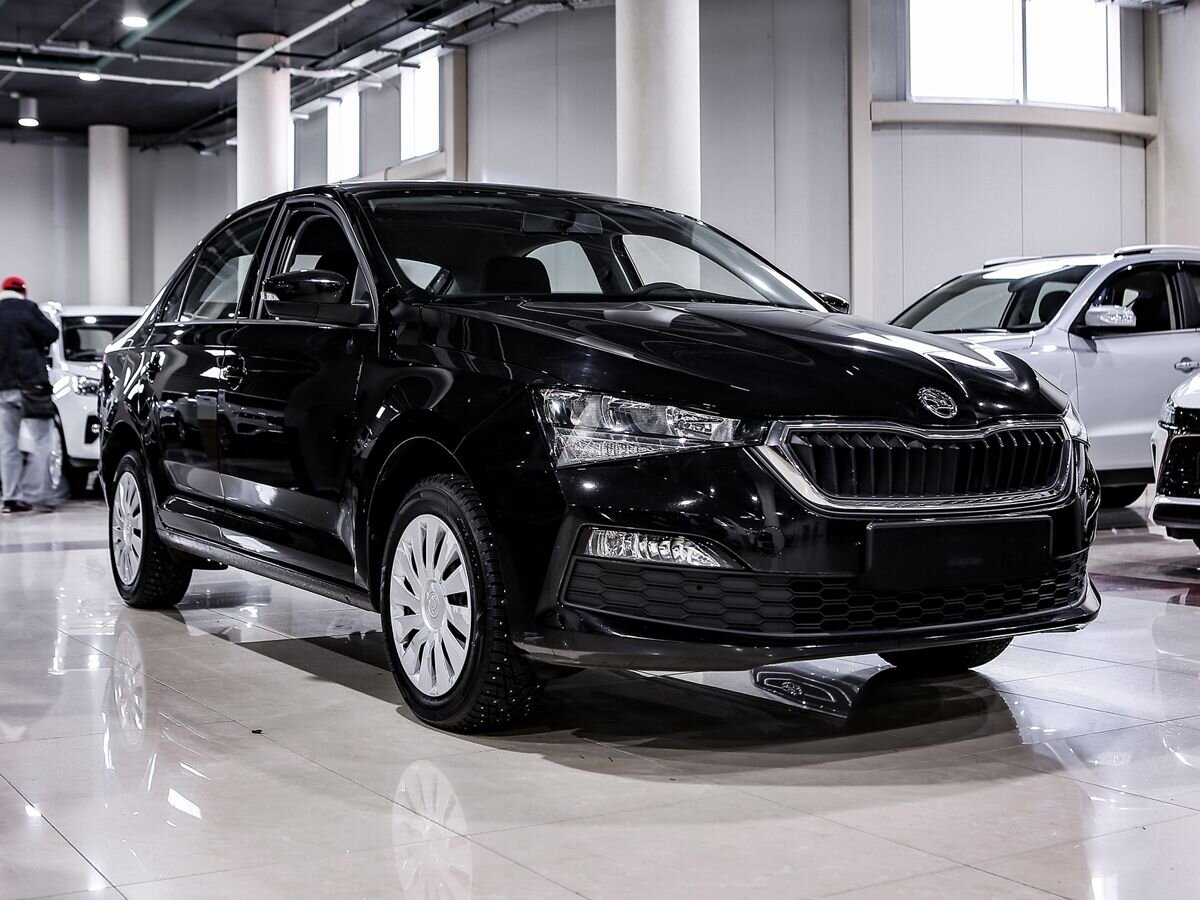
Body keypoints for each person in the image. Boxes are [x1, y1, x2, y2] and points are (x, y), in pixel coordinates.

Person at [0, 276, 60, 514]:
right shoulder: (28, 308)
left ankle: (11, 498)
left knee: (7, 445)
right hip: (32, 386)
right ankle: (41, 495)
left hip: (3, 389)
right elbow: (51, 333)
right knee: (42, 441)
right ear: (23, 291)